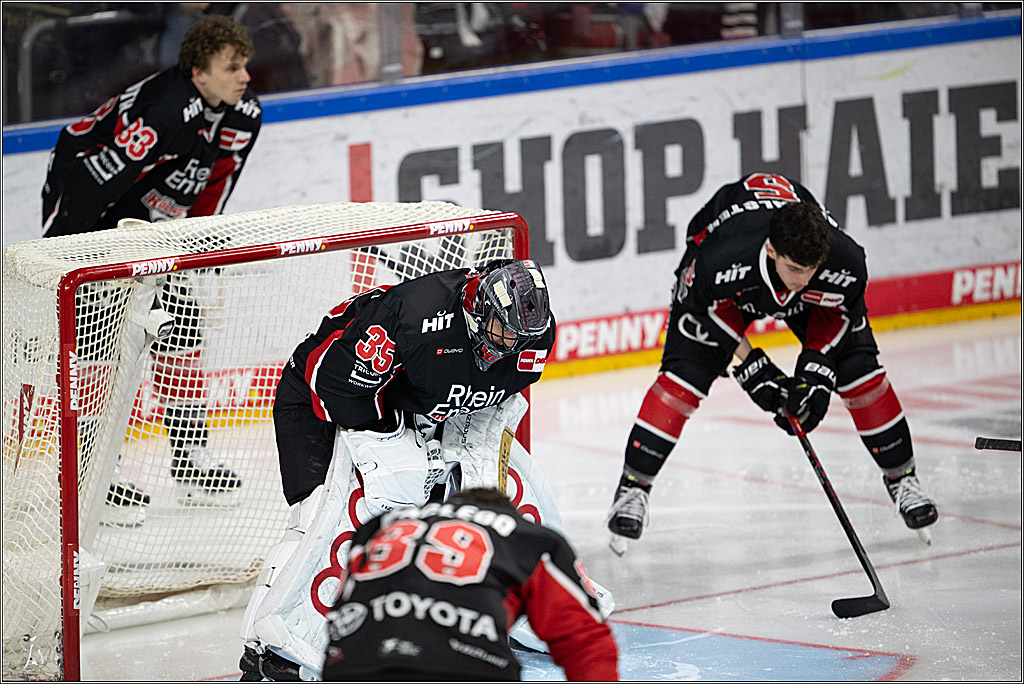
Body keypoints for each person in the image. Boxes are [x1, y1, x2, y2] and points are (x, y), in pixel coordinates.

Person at [240, 259, 609, 679]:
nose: (509, 345)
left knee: (485, 502)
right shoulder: (412, 318)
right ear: (476, 309)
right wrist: (398, 446)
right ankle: (271, 647)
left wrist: (455, 447)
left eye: (517, 338)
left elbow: (499, 392)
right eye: (501, 332)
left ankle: (489, 611)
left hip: (419, 410)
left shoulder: (533, 335)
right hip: (319, 403)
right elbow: (334, 387)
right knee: (329, 515)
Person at [606, 172, 939, 551]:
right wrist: (754, 370)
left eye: (812, 269)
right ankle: (632, 488)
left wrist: (816, 371)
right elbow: (704, 312)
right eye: (795, 269)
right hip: (720, 296)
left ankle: (903, 478)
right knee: (683, 378)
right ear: (771, 251)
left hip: (800, 294)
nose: (804, 279)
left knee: (860, 372)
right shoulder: (720, 259)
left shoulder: (844, 260)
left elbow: (840, 313)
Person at [41, 14, 262, 524]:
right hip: (93, 209)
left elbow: (216, 183)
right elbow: (89, 184)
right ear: (198, 73)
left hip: (157, 225)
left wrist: (197, 244)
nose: (245, 76)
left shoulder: (243, 111)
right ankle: (95, 468)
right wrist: (68, 260)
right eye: (232, 67)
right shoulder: (164, 110)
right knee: (100, 341)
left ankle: (190, 462)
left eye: (245, 64)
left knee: (182, 332)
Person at [321, 487, 619, 681]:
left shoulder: (380, 526)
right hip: (464, 667)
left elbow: (345, 609)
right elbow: (586, 640)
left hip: (355, 667)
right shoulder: (528, 537)